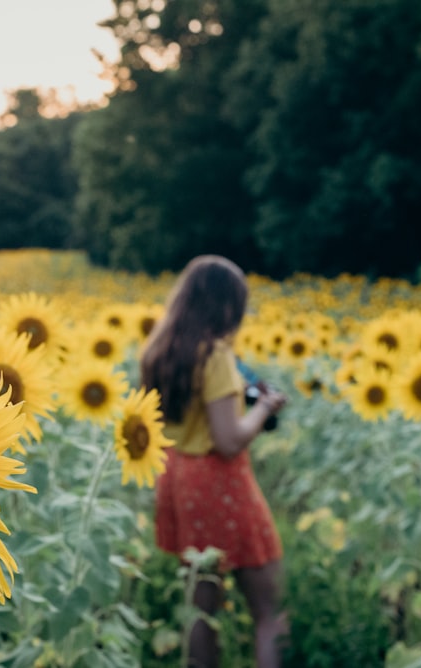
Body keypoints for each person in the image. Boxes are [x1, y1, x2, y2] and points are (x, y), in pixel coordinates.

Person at [142, 255, 289, 668]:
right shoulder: (217, 356)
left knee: (201, 609)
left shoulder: (160, 350)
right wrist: (265, 409)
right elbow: (228, 440)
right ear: (227, 307)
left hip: (176, 475)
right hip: (218, 480)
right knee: (269, 608)